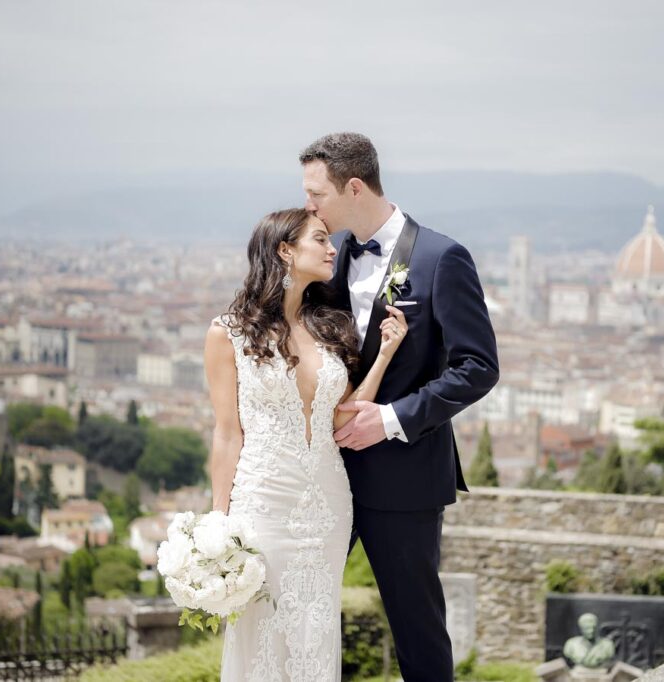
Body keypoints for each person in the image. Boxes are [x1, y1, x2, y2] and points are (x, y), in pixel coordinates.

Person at [301, 132, 500, 681]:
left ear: (355, 187)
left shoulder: (441, 257)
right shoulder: (330, 258)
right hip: (326, 474)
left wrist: (390, 420)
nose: (309, 206)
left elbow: (478, 367)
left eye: (317, 193)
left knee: (417, 632)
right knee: (297, 610)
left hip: (405, 480)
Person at [204, 208, 410, 680]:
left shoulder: (330, 328)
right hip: (263, 500)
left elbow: (342, 418)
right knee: (260, 629)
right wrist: (220, 519)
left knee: (316, 632)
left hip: (328, 504)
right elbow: (226, 432)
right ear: (285, 250)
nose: (333, 248)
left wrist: (385, 355)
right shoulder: (227, 333)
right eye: (320, 239)